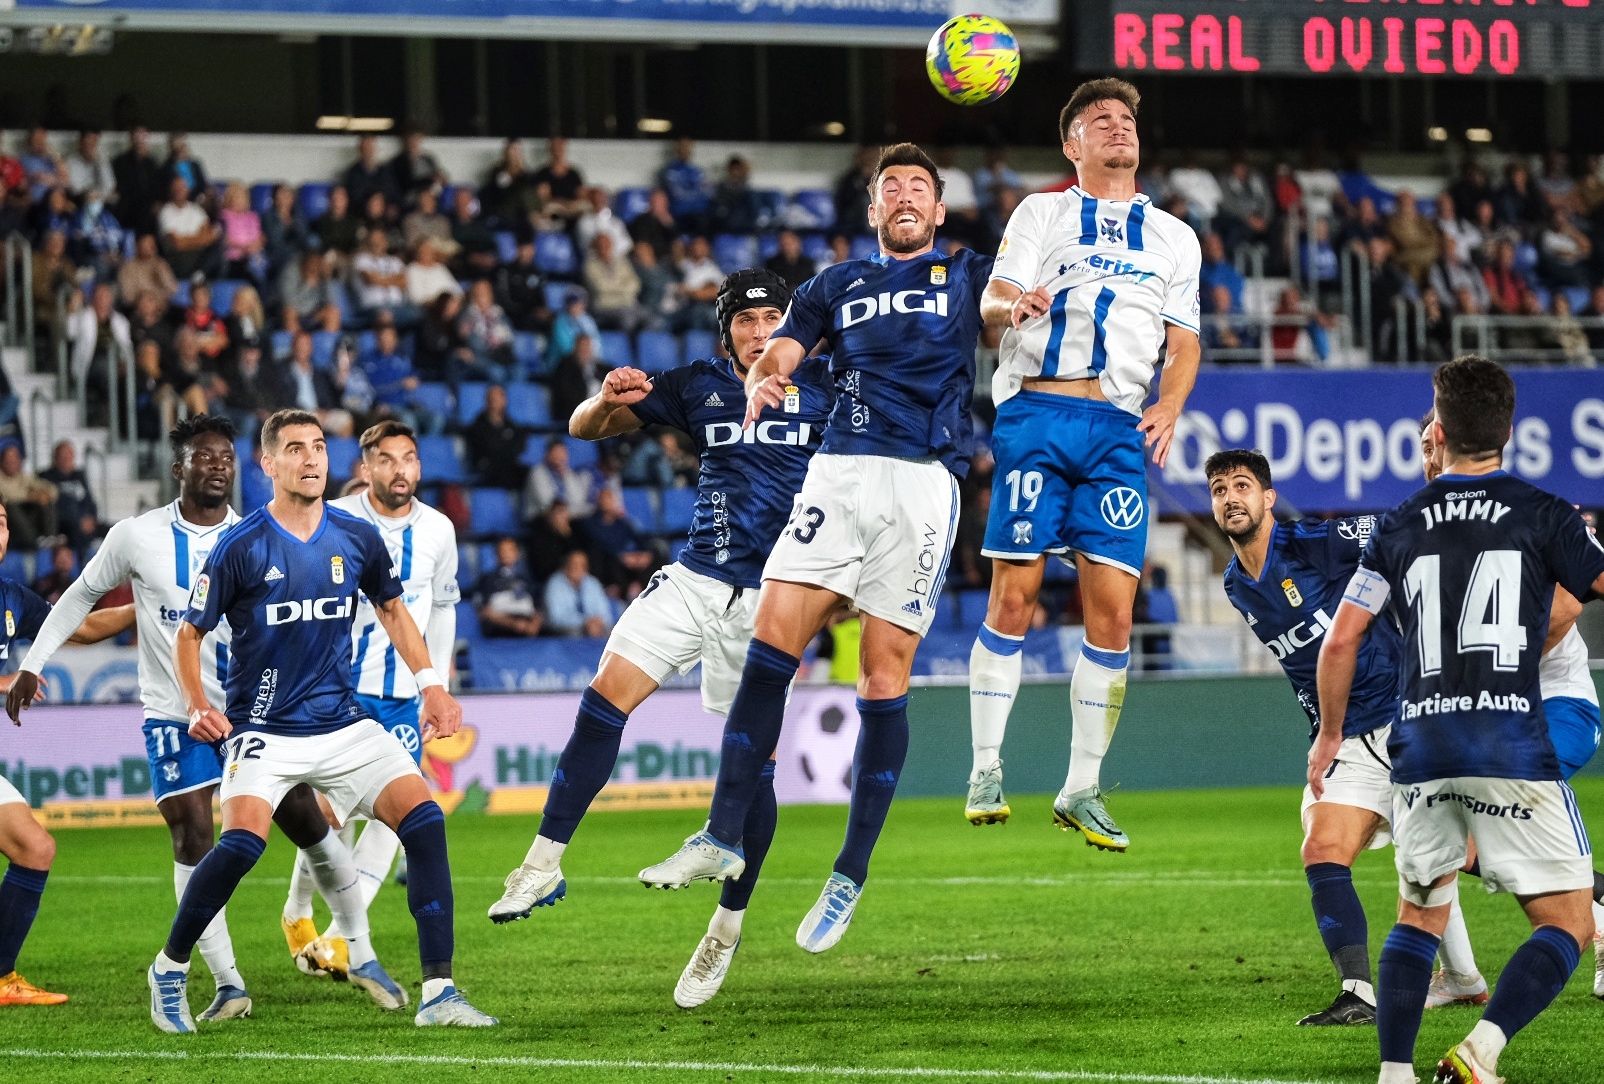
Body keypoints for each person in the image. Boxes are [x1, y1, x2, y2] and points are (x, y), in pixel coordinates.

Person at [638, 143, 988, 956]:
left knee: (881, 673)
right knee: (772, 636)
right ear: (873, 210)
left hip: (923, 484)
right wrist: (765, 373)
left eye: (919, 188)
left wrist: (1022, 305)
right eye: (889, 186)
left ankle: (849, 872)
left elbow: (1007, 308)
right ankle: (724, 833)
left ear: (938, 212)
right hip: (839, 472)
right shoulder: (836, 284)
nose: (904, 195)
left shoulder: (968, 275)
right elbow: (788, 348)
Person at [488, 269, 830, 1009]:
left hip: (773, 598)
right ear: (726, 330)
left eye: (773, 315)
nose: (760, 328)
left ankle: (726, 928)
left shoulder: (827, 386)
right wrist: (604, 398)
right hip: (694, 577)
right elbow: (585, 428)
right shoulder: (699, 383)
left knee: (757, 769)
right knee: (605, 695)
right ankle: (542, 863)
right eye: (746, 318)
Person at [6, 416, 377, 1024]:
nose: (218, 466)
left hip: (258, 718)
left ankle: (357, 946)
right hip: (174, 716)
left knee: (310, 828)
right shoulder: (137, 536)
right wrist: (33, 662)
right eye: (204, 458)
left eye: (226, 457)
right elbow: (78, 594)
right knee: (195, 835)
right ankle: (226, 982)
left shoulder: (259, 537)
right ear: (178, 469)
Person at [137, 408, 494, 1032]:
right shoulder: (240, 545)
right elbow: (189, 635)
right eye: (296, 449)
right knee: (242, 844)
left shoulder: (355, 537)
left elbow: (395, 612)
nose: (311, 459)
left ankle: (439, 990)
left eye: (320, 447)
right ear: (268, 465)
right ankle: (169, 966)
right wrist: (198, 704)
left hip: (343, 723)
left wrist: (432, 685)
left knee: (426, 821)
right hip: (264, 730)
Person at [1310, 356, 1604, 1084]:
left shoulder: (1399, 524)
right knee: (1570, 922)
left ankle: (1393, 1073)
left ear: (1437, 431)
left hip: (1419, 745)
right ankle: (1481, 1050)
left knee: (1419, 912)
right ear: (1510, 431)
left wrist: (1328, 736)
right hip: (1509, 736)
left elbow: (1341, 638)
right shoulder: (1545, 512)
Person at [963, 79, 1201, 847]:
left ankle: (1081, 787)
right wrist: (1012, 308)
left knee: (1114, 613)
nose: (1118, 128)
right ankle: (986, 765)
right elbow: (994, 298)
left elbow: (1184, 338)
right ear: (1073, 145)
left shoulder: (1174, 237)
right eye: (1100, 121)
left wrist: (1171, 403)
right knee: (1016, 594)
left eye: (1127, 119)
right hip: (1038, 411)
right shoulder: (1044, 212)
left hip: (1117, 432)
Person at [1207, 448, 1485, 1027]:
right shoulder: (1236, 582)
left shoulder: (1316, 544)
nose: (1229, 498)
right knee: (1323, 849)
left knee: (1476, 857)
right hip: (1344, 741)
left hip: (1402, 718)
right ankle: (1360, 991)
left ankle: (1593, 895)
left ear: (1268, 498)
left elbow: (1391, 530)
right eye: (1217, 489)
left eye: (1241, 486)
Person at [1417, 408, 1604, 1006]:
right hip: (1490, 716)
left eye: (1433, 442)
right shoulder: (1426, 529)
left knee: (1466, 834)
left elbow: (1571, 604)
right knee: (1447, 839)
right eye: (1421, 446)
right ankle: (1467, 975)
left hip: (1559, 705)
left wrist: (1500, 669)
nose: (1427, 455)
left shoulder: (1514, 514)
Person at [283, 420, 460, 980]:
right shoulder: (336, 519)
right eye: (386, 460)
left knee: (396, 816)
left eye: (408, 459)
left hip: (402, 696)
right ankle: (298, 911)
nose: (399, 470)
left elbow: (443, 607)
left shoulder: (439, 530)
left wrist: (438, 682)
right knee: (330, 814)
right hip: (337, 690)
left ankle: (337, 938)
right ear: (365, 468)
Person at [0, 501, 137, 1009]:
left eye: (2, 521)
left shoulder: (12, 597)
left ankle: (1, 979)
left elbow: (78, 629)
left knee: (35, 848)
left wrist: (147, 604)